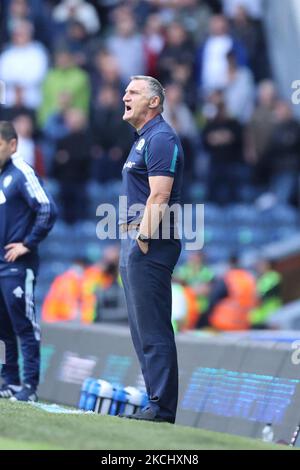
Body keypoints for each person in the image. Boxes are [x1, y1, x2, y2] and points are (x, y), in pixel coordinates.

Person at [119, 76, 184, 423]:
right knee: (141, 329)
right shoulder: (143, 140)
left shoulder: (161, 138)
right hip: (136, 240)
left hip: (152, 244)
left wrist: (141, 238)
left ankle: (162, 409)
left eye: (133, 92)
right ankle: (154, 402)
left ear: (154, 103)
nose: (124, 96)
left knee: (153, 328)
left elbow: (159, 195)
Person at [0, 121, 57, 402]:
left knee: (24, 324)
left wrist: (27, 243)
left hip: (17, 266)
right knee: (2, 327)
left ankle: (30, 386)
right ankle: (8, 380)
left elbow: (47, 208)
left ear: (12, 145)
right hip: (0, 265)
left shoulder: (21, 172)